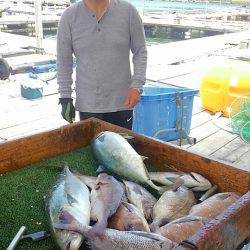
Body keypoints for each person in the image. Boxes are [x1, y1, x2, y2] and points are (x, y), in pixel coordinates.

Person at [57, 0, 147, 129]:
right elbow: (63, 61)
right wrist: (65, 97)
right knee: (92, 147)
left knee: (122, 148)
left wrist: (137, 86)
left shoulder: (129, 11)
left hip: (122, 103)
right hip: (88, 104)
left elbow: (140, 51)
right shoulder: (69, 16)